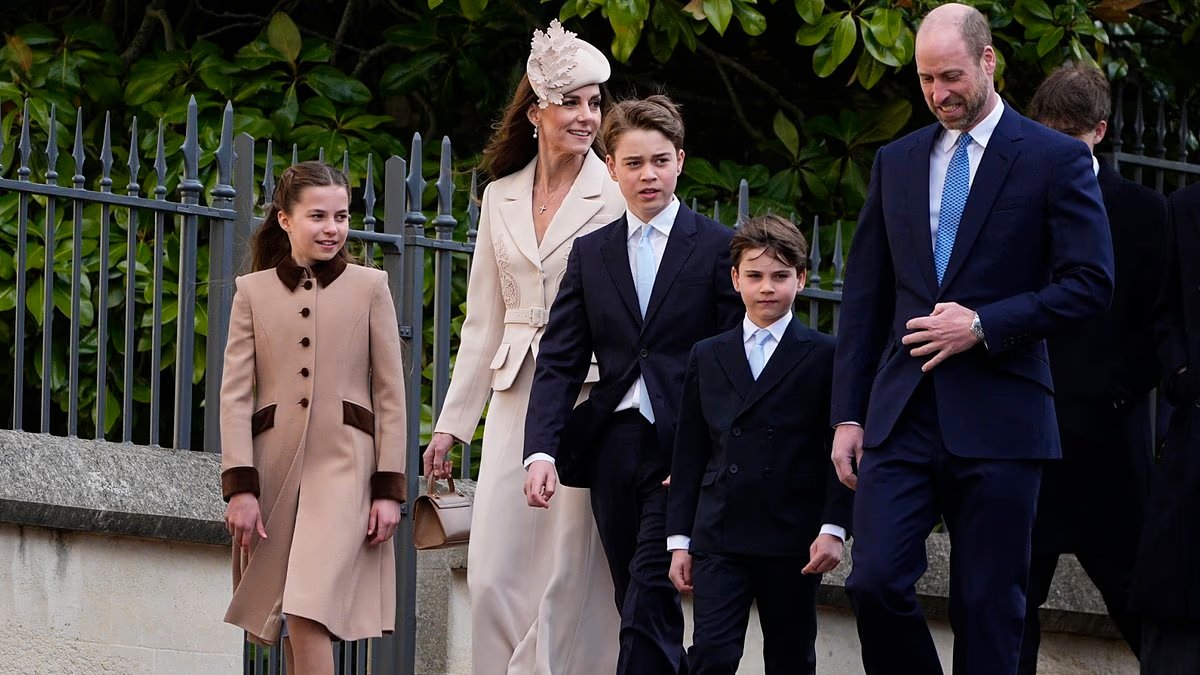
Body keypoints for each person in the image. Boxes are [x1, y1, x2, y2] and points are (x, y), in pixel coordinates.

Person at [828, 4, 1115, 674]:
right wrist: (848, 412)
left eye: (950, 76)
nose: (938, 94)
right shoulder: (896, 161)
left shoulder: (1054, 158)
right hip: (901, 413)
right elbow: (865, 299)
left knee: (988, 607)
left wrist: (984, 323)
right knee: (871, 581)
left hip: (1004, 416)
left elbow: (1091, 282)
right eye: (925, 80)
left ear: (988, 62)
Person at [420, 19, 624, 675]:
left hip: (589, 398)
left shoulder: (618, 197)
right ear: (536, 110)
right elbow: (482, 321)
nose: (588, 115)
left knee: (571, 577)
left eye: (596, 101)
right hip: (512, 396)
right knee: (490, 574)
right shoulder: (499, 197)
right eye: (572, 101)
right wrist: (452, 426)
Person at [522, 94, 743, 675]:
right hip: (613, 446)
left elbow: (731, 365)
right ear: (611, 166)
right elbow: (560, 360)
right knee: (635, 597)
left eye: (661, 161)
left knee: (648, 589)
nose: (649, 175)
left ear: (681, 161)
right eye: (635, 163)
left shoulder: (719, 248)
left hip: (682, 446)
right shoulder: (591, 254)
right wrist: (540, 448)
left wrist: (709, 455)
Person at [220, 161, 407, 674]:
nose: (332, 228)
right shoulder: (252, 292)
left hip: (346, 470)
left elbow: (391, 393)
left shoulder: (371, 287)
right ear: (285, 219)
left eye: (342, 216)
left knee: (307, 610)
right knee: (286, 612)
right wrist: (240, 486)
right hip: (275, 471)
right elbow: (235, 395)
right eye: (318, 215)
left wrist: (389, 489)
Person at [1018, 63, 1168, 673]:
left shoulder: (1145, 212)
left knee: (1141, 599)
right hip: (1029, 432)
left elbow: (1160, 320)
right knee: (1009, 599)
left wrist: (1115, 393)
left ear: (1100, 132)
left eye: (1067, 138)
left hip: (1109, 441)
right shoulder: (1018, 204)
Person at [665, 214, 854, 674]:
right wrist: (679, 540)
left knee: (790, 659)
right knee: (712, 655)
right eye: (754, 275)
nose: (766, 287)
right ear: (735, 279)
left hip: (793, 536)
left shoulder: (827, 355)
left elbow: (841, 450)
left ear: (801, 279)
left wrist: (834, 527)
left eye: (780, 276)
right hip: (719, 533)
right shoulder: (708, 354)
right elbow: (689, 451)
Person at [1130, 179, 1200, 673]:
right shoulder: (1186, 207)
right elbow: (1163, 310)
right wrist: (1181, 375)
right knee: (1174, 620)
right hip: (1195, 439)